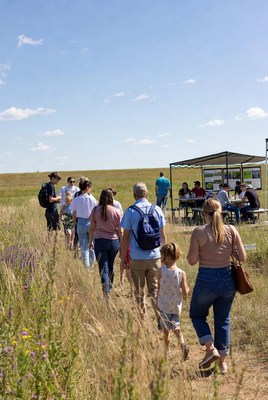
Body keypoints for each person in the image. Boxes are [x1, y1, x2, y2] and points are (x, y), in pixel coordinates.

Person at [187, 198, 246, 374]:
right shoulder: (231, 230)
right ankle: (222, 363)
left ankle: (209, 347)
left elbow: (191, 261)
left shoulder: (199, 232)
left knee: (197, 315)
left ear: (204, 213)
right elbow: (242, 257)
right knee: (223, 320)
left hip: (207, 277)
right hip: (228, 278)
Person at [120, 182, 166, 322]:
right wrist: (165, 256)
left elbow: (125, 237)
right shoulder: (157, 209)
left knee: (139, 291)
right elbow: (163, 235)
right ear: (147, 194)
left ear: (134, 195)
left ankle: (142, 318)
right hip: (155, 256)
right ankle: (160, 319)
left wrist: (123, 258)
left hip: (137, 257)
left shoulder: (130, 211)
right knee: (155, 290)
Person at [157, 242, 190, 360]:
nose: (161, 258)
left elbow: (159, 289)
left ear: (168, 257)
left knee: (166, 332)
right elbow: (185, 291)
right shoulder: (181, 273)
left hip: (164, 305)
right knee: (176, 327)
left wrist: (157, 301)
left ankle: (167, 352)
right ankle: (182, 342)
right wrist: (188, 290)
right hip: (175, 306)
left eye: (162, 256)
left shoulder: (160, 271)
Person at [89, 189, 122, 299]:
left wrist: (90, 242)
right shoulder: (116, 211)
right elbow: (120, 230)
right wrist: (122, 244)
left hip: (99, 241)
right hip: (114, 242)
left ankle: (106, 292)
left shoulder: (95, 210)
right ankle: (110, 286)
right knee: (111, 265)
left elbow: (92, 228)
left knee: (103, 267)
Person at [70, 179, 97, 268]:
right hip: (90, 222)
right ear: (87, 188)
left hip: (80, 222)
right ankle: (92, 264)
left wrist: (74, 224)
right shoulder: (92, 199)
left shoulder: (76, 199)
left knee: (84, 246)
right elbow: (95, 212)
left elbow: (74, 213)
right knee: (91, 244)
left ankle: (86, 266)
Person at [45, 172, 62, 237]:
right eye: (57, 179)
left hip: (48, 211)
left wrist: (56, 200)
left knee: (50, 229)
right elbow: (51, 199)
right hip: (53, 211)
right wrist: (58, 197)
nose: (58, 181)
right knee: (58, 229)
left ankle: (48, 244)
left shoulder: (48, 185)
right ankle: (56, 245)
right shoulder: (51, 186)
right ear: (53, 178)